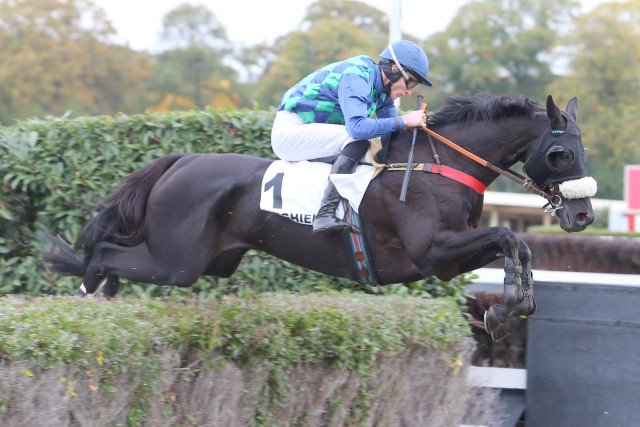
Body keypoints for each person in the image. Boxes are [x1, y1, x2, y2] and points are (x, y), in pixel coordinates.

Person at [271, 40, 432, 235]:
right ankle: (325, 213)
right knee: (358, 140)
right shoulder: (356, 75)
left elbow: (394, 131)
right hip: (290, 132)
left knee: (376, 143)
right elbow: (357, 128)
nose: (409, 91)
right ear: (393, 69)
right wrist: (404, 120)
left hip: (311, 134)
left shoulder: (383, 91)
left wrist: (418, 128)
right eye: (410, 82)